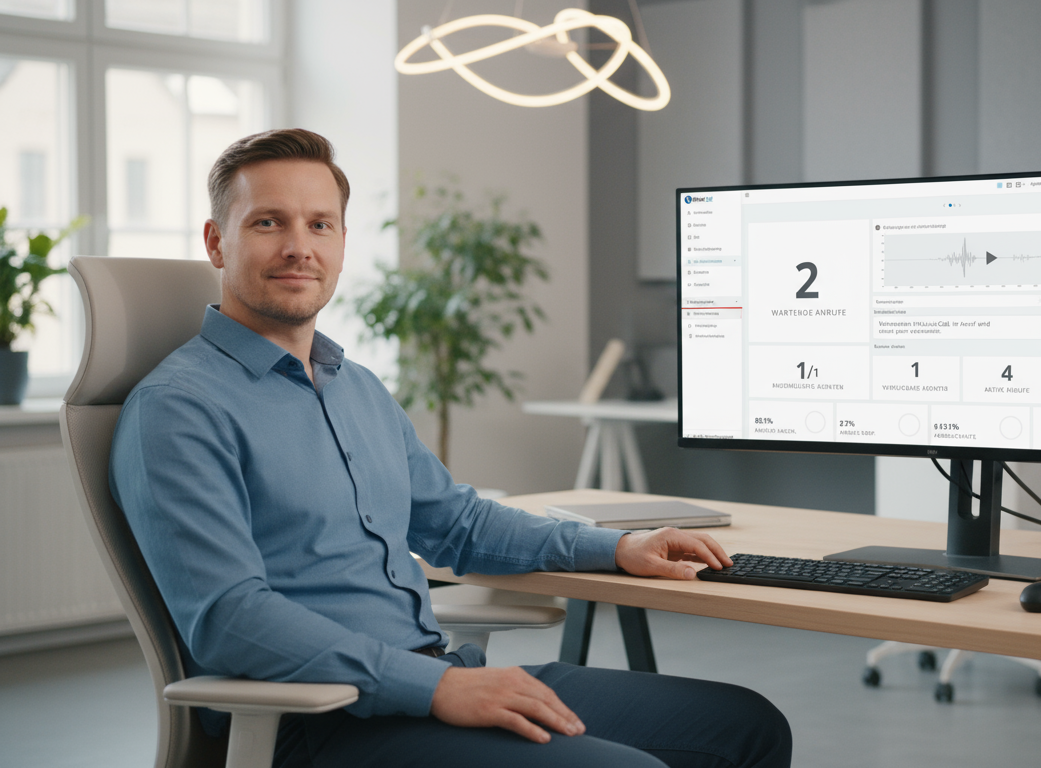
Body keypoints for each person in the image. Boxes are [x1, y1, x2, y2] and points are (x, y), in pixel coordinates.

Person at [109, 128, 791, 768]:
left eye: (319, 224)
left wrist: (616, 548)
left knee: (747, 727)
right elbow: (230, 620)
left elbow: (457, 524)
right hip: (317, 722)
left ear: (342, 241)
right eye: (269, 222)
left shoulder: (355, 387)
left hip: (434, 676)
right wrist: (434, 690)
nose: (299, 246)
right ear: (217, 241)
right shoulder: (179, 409)